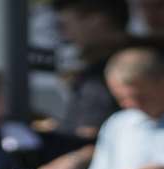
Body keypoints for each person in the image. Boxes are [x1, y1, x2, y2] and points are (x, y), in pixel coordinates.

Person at [53, 0, 134, 138]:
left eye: (66, 26)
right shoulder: (95, 69)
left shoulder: (107, 74)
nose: (67, 35)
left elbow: (88, 134)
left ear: (97, 20)